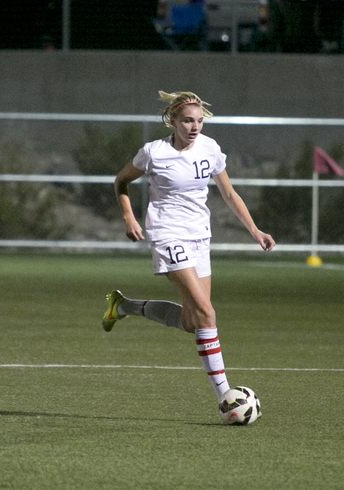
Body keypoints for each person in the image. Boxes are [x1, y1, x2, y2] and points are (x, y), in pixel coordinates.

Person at [102, 90, 275, 409]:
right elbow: (121, 182)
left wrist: (254, 230)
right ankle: (226, 397)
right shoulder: (153, 152)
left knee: (192, 321)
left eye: (199, 121)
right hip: (168, 234)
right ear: (172, 121)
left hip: (199, 236)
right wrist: (128, 216)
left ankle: (123, 306)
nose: (194, 127)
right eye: (187, 121)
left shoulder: (209, 148)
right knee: (208, 314)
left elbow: (229, 193)